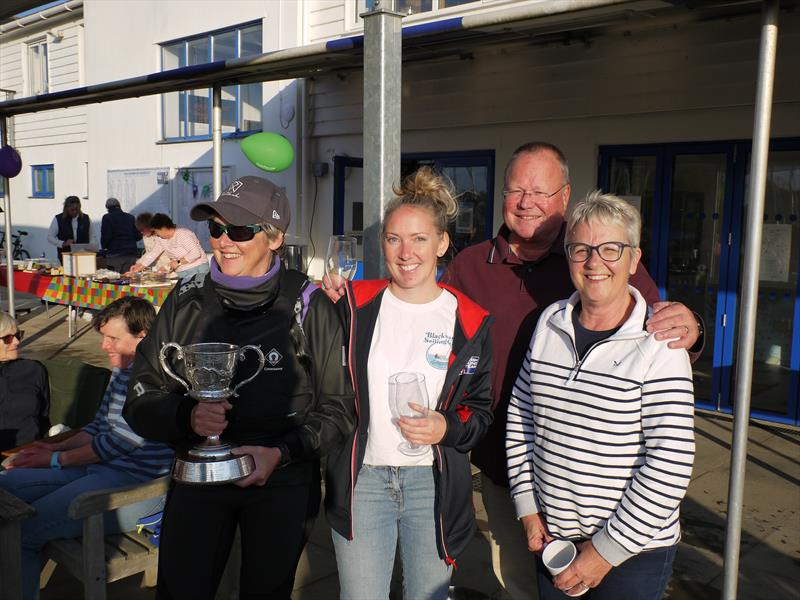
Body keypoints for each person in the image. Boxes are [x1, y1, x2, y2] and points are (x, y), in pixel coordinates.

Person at [440, 142, 702, 599]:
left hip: (616, 508)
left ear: (564, 196)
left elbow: (661, 333)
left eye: (540, 191)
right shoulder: (470, 267)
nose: (527, 202)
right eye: (516, 190)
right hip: (514, 480)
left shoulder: (596, 257)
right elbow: (427, 325)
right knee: (520, 586)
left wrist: (696, 328)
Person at [123, 175, 355, 599]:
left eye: (241, 230)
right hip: (197, 473)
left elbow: (340, 408)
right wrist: (186, 416)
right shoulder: (186, 296)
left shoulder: (307, 303)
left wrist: (281, 453)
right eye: (215, 228)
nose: (224, 240)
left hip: (280, 479)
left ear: (275, 238)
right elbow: (140, 392)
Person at [506, 190, 695, 599]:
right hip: (554, 540)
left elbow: (671, 462)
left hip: (633, 554)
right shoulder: (548, 324)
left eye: (611, 249)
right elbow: (521, 419)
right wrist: (527, 506)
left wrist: (605, 552)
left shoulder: (659, 343)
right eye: (581, 250)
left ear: (634, 259)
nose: (595, 263)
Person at [324, 167, 494, 600]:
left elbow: (479, 412)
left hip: (431, 486)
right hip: (364, 480)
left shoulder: (470, 321)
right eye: (394, 238)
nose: (406, 252)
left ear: (441, 243)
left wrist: (446, 428)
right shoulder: (353, 305)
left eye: (419, 238)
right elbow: (324, 386)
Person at [0, 296, 174, 600]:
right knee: (6, 484)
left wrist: (54, 459)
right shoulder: (125, 366)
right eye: (103, 337)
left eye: (112, 338)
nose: (104, 346)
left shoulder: (159, 378)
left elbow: (118, 442)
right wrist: (46, 447)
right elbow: (97, 426)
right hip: (101, 470)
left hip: (136, 488)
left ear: (143, 337)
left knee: (23, 533)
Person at [0, 312, 49, 452]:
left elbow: (44, 415)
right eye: (8, 338)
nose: (17, 342)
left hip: (29, 451)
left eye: (18, 335)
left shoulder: (33, 369)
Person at [127, 213, 208, 280]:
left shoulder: (183, 234)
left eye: (156, 231)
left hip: (197, 269)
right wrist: (139, 267)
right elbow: (153, 253)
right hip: (182, 272)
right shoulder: (161, 239)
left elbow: (196, 253)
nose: (156, 234)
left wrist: (178, 262)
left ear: (163, 228)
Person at [47, 195, 96, 263]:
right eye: (72, 210)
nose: (75, 212)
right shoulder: (58, 219)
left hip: (83, 256)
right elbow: (50, 237)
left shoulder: (86, 218)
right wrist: (63, 243)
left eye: (77, 209)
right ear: (66, 208)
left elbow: (92, 236)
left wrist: (91, 249)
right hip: (66, 256)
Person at [100, 197, 142, 273]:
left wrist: (104, 247)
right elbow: (138, 236)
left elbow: (106, 236)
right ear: (119, 206)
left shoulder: (107, 218)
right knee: (128, 278)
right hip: (130, 254)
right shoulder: (130, 217)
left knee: (114, 279)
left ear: (108, 208)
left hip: (115, 254)